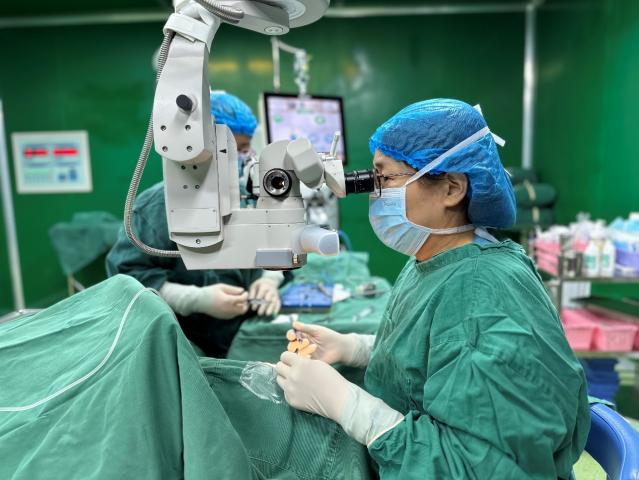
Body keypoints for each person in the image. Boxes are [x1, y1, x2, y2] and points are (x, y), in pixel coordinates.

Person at [275, 99, 589, 479]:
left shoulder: (481, 293)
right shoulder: (434, 258)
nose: (374, 193)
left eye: (385, 179)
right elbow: (436, 355)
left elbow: (481, 468)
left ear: (452, 189)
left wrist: (351, 406)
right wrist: (356, 348)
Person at [106, 91, 282, 357]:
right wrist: (196, 300)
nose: (242, 157)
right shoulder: (155, 208)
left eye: (246, 148)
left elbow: (275, 242)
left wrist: (268, 280)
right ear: (201, 147)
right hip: (183, 342)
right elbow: (127, 279)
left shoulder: (249, 194)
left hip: (242, 332)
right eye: (233, 148)